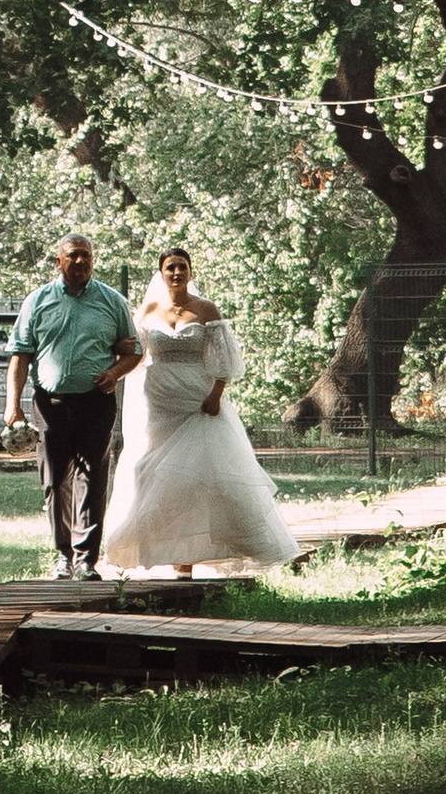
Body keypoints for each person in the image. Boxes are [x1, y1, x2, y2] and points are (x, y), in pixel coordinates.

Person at [101, 245, 301, 581]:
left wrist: (216, 395)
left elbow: (226, 360)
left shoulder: (205, 309)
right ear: (161, 272)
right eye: (170, 268)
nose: (176, 273)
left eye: (181, 267)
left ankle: (190, 561)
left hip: (199, 401)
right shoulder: (148, 310)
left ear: (190, 271)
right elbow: (135, 351)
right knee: (152, 471)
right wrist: (113, 368)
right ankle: (162, 549)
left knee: (202, 475)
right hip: (161, 403)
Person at [3, 235, 141, 583]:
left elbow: (134, 351)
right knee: (55, 479)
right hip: (50, 404)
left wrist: (114, 372)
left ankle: (86, 560)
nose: (80, 262)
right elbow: (20, 356)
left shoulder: (112, 301)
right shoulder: (38, 302)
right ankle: (63, 555)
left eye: (86, 256)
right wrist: (12, 405)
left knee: (93, 476)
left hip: (96, 402)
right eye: (73, 256)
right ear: (58, 261)